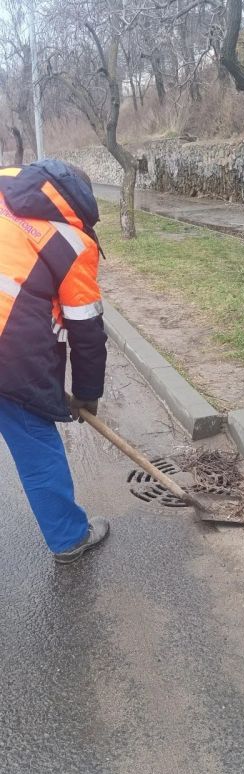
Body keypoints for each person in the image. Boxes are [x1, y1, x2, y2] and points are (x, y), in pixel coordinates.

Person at [0, 159, 109, 564]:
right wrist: (86, 395)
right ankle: (69, 538)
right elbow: (85, 332)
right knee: (34, 441)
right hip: (6, 353)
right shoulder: (72, 242)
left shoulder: (6, 184)